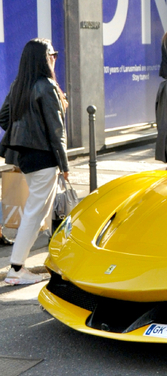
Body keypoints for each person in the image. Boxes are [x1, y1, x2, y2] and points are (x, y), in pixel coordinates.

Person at [0, 39, 69, 285]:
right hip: (45, 157)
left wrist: (25, 133)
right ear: (44, 57)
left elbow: (4, 117)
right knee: (34, 212)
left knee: (37, 212)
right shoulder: (47, 86)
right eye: (53, 54)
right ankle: (16, 268)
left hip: (28, 158)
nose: (54, 58)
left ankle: (20, 266)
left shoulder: (19, 84)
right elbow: (56, 131)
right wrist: (65, 165)